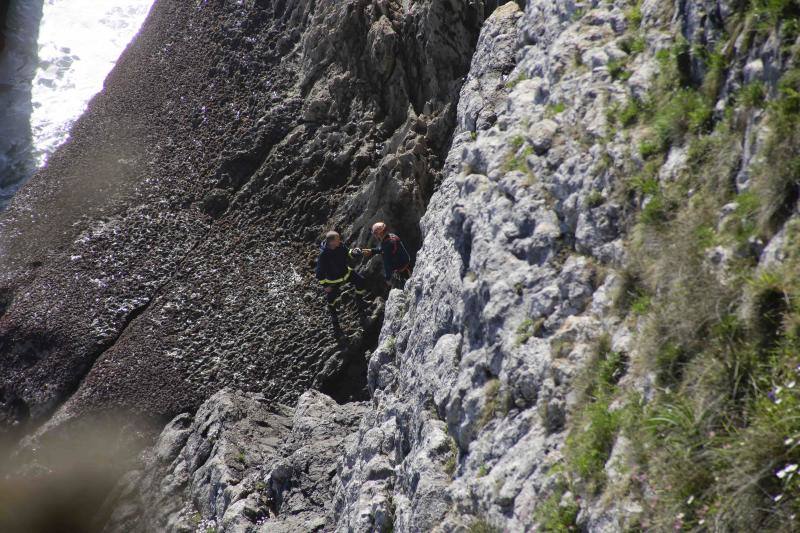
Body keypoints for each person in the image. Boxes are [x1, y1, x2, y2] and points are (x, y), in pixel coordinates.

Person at [315, 230, 368, 312]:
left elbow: (348, 252)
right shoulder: (323, 255)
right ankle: (333, 313)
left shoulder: (341, 246)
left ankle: (359, 301)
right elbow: (319, 273)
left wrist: (354, 253)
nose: (340, 240)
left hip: (346, 273)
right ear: (332, 242)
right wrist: (325, 285)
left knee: (360, 281)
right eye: (338, 239)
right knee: (331, 297)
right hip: (333, 280)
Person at [363, 222, 412, 287]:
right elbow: (383, 249)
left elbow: (387, 264)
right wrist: (372, 251)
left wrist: (388, 278)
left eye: (375, 234)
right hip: (406, 263)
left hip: (402, 268)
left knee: (406, 286)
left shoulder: (387, 245)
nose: (375, 236)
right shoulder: (391, 236)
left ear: (379, 234)